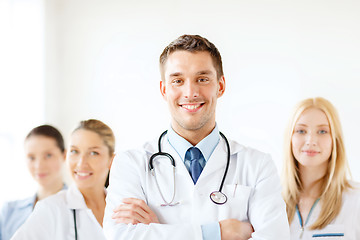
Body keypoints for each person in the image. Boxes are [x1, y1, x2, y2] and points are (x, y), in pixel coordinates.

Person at [103, 34, 289, 240]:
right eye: (178, 81)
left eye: (202, 79)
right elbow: (120, 236)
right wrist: (218, 233)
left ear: (220, 86)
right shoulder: (131, 164)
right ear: (164, 90)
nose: (190, 92)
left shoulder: (257, 165)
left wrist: (158, 231)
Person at [11, 119, 115, 240]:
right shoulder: (51, 209)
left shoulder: (126, 208)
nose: (81, 163)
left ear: (111, 160)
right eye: (74, 151)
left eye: (93, 153)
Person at [282, 97, 360, 239]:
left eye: (322, 131)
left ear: (335, 140)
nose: (311, 141)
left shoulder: (356, 200)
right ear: (290, 137)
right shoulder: (271, 200)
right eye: (301, 131)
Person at [0, 125, 66, 240]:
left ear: (64, 155)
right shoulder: (9, 212)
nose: (39, 166)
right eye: (31, 157)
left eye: (48, 155)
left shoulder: (85, 208)